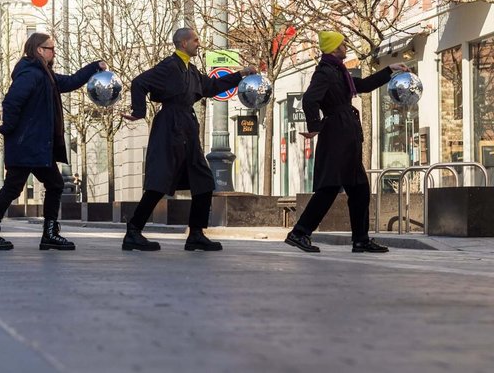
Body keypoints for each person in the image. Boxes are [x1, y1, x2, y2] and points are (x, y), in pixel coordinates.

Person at [121, 27, 257, 251]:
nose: (199, 43)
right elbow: (139, 82)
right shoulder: (168, 66)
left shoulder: (191, 70)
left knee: (203, 182)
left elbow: (212, 87)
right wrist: (139, 112)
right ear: (183, 43)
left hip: (187, 129)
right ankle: (133, 231)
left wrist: (241, 74)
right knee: (158, 184)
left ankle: (196, 233)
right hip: (169, 128)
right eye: (195, 40)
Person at [0, 32, 105, 251]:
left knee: (52, 185)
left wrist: (94, 66)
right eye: (51, 49)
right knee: (14, 188)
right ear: (39, 50)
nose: (53, 52)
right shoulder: (30, 74)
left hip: (34, 145)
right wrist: (7, 128)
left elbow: (72, 81)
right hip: (28, 144)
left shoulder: (45, 75)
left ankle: (48, 233)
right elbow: (11, 102)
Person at [284, 31, 409, 254]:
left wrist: (389, 71)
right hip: (337, 136)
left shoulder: (337, 71)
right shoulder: (325, 72)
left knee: (359, 189)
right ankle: (299, 232)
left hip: (345, 134)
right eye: (342, 44)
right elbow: (310, 99)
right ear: (334, 48)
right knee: (330, 187)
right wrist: (314, 127)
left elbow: (361, 85)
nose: (346, 47)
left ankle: (360, 240)